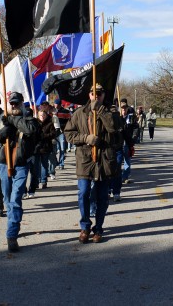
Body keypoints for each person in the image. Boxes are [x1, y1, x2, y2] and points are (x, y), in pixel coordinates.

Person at [64, 83, 120, 244]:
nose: (96, 96)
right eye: (93, 93)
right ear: (89, 95)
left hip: (104, 160)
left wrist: (101, 111)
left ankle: (99, 228)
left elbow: (114, 129)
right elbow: (68, 134)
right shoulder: (79, 113)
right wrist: (85, 138)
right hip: (85, 159)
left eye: (100, 93)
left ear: (104, 95)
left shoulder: (111, 112)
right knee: (83, 194)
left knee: (102, 197)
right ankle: (85, 226)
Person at [0, 92, 40, 252]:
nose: (14, 106)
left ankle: (11, 235)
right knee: (7, 199)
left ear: (22, 104)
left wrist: (13, 120)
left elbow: (31, 130)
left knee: (16, 198)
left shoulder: (29, 119)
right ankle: (13, 222)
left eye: (17, 103)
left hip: (21, 165)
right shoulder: (0, 119)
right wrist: (3, 132)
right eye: (11, 104)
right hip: (4, 164)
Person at [110, 102, 136, 201]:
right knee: (108, 172)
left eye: (114, 110)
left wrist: (130, 146)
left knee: (117, 171)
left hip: (118, 149)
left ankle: (116, 192)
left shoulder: (121, 121)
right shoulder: (103, 120)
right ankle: (108, 189)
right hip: (106, 150)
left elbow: (126, 135)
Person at [34, 109, 55, 190]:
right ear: (38, 115)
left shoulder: (50, 124)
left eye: (43, 115)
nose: (42, 117)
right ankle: (36, 181)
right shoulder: (35, 123)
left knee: (44, 165)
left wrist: (44, 136)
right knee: (36, 166)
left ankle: (43, 181)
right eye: (40, 115)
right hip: (37, 147)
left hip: (46, 147)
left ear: (46, 116)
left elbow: (53, 134)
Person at [53, 99, 71, 171]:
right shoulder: (51, 111)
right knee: (54, 150)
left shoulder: (65, 112)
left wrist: (63, 128)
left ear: (60, 104)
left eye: (56, 104)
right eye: (54, 104)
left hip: (61, 132)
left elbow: (69, 122)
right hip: (53, 133)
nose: (55, 105)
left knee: (62, 149)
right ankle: (55, 162)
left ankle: (61, 163)